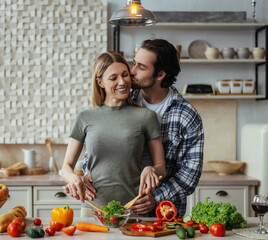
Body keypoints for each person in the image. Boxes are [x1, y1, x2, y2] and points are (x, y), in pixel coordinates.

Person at [82, 39, 204, 217]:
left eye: (141, 67)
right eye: (134, 63)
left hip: (161, 213)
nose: (131, 72)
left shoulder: (186, 116)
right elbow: (97, 142)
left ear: (160, 74)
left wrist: (156, 197)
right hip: (114, 206)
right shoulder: (121, 95)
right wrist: (88, 173)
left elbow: (190, 175)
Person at [61, 51, 167, 207]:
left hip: (133, 208)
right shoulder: (84, 117)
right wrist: (74, 179)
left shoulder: (146, 117)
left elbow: (161, 168)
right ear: (100, 82)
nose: (122, 82)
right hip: (93, 208)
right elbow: (66, 167)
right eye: (113, 78)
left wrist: (152, 170)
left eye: (125, 75)